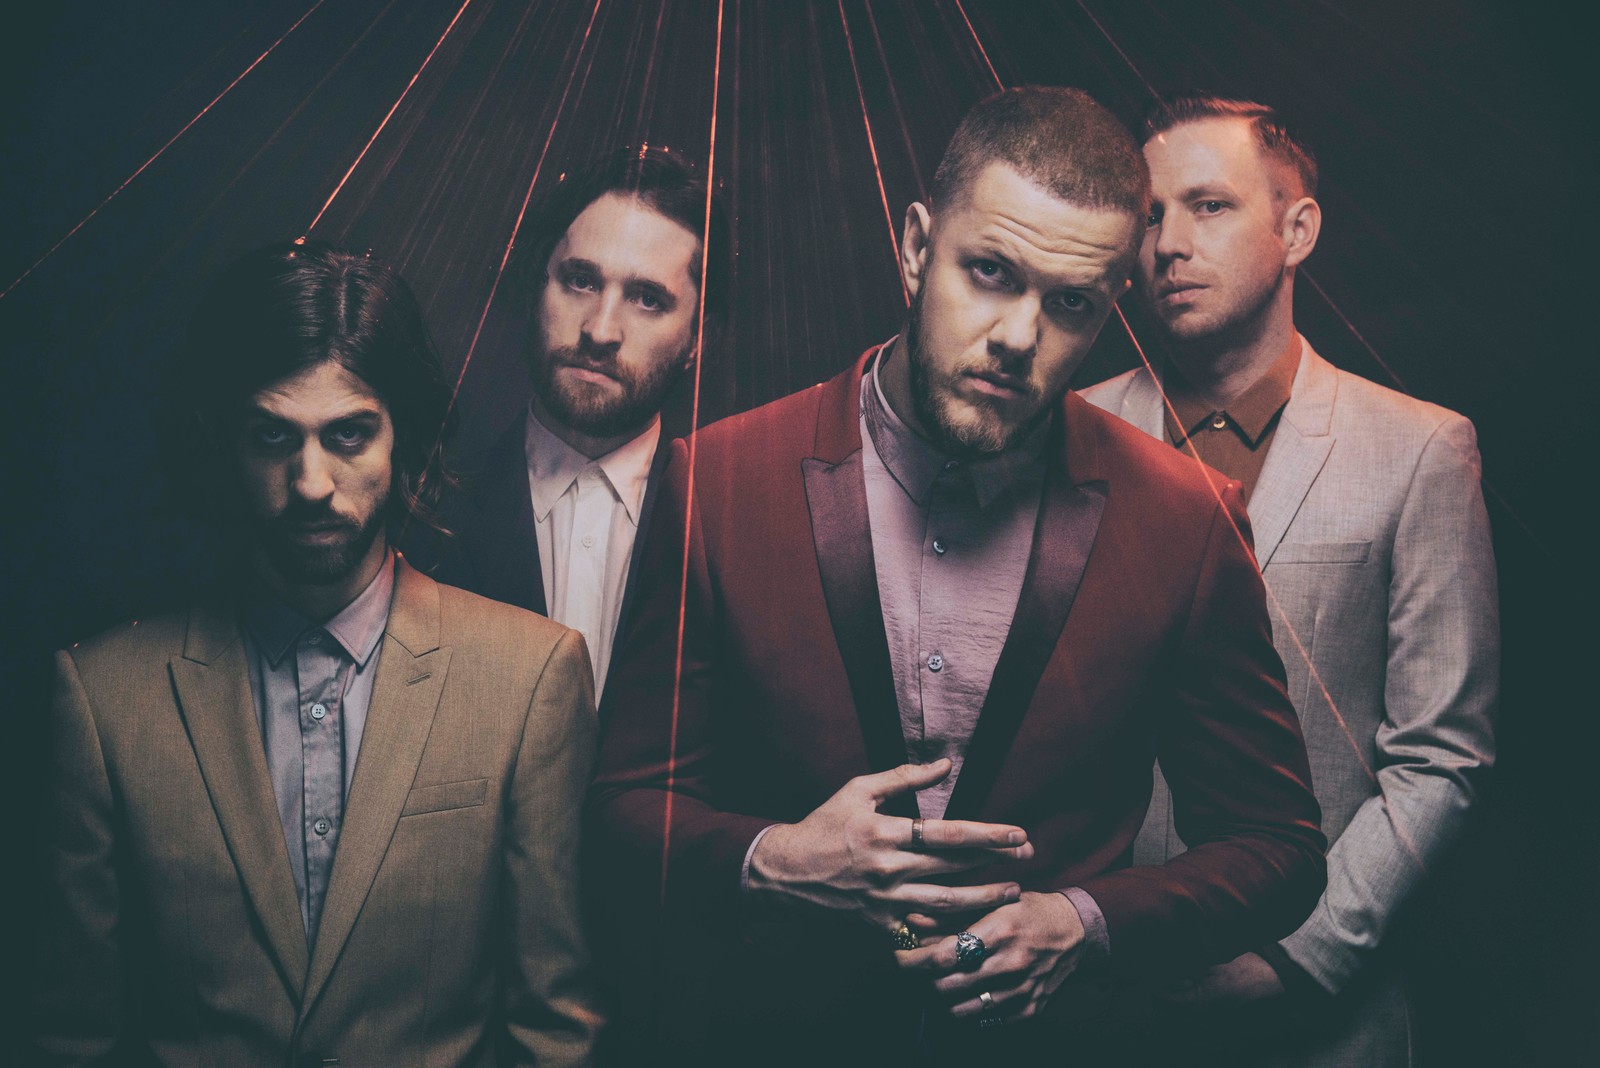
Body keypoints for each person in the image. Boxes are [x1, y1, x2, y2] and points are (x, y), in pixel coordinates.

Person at [588, 86, 1325, 1064]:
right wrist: (771, 863)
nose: (1019, 336)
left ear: (1112, 304)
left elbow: (1277, 847)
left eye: (1069, 304)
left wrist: (1083, 922)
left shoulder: (1185, 521)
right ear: (913, 247)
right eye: (989, 272)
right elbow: (620, 809)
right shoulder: (716, 479)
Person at [34, 240, 602, 1066]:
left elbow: (554, 1027)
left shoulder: (529, 678)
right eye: (272, 437)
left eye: (347, 435)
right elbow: (70, 1035)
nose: (309, 483)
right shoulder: (101, 699)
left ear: (402, 436)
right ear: (224, 443)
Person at [1082, 95, 1498, 1066]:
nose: (1169, 243)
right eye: (1147, 215)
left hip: (1321, 1021)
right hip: (1102, 1000)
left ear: (1296, 229)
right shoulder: (1067, 439)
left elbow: (1441, 757)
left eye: (1209, 206)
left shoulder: (1419, 450)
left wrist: (1294, 957)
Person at [409, 146, 730, 700]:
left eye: (648, 299)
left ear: (697, 339)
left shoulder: (733, 535)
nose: (601, 331)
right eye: (581, 281)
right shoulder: (421, 506)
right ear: (538, 287)